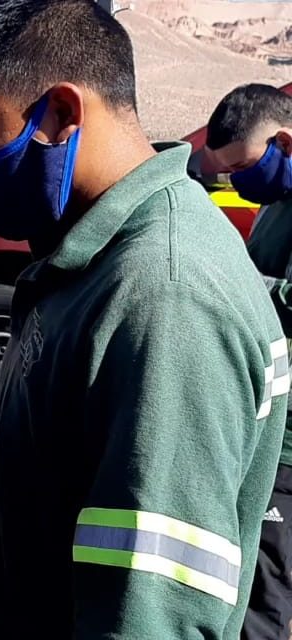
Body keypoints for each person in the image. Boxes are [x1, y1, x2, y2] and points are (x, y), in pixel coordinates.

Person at [0, 1, 289, 637]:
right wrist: (5, 467)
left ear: (63, 114)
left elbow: (152, 619)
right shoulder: (105, 254)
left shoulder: (164, 297)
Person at [206, 83, 292, 640]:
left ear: (284, 141)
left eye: (244, 165)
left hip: (289, 445)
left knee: (263, 594)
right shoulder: (278, 202)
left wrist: (243, 285)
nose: (238, 182)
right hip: (264, 418)